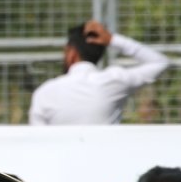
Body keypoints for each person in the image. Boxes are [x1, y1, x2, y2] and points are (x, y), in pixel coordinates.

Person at [29, 20, 169, 124]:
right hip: (107, 162)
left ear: (71, 53)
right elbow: (160, 62)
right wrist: (112, 39)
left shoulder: (45, 92)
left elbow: (38, 141)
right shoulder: (114, 80)